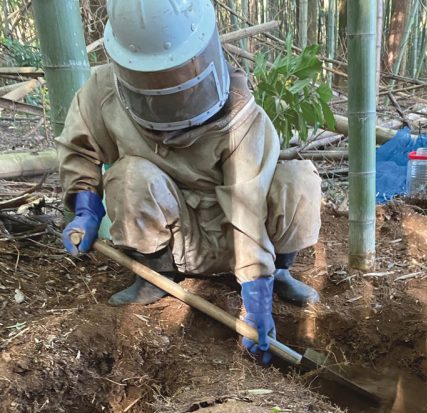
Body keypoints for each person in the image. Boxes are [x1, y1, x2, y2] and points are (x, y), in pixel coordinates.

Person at [56, 0, 322, 364]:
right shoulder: (103, 92)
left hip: (239, 236)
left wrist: (257, 299)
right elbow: (79, 147)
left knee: (297, 180)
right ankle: (155, 275)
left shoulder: (243, 118)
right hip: (177, 235)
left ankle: (277, 273)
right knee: (130, 176)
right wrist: (85, 207)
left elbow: (247, 212)